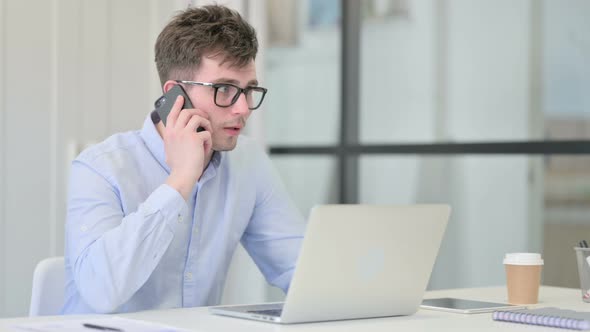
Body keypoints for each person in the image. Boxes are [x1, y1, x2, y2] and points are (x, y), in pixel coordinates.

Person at [62, 4, 305, 314]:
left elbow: (299, 270)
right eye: (225, 89)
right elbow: (101, 292)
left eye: (249, 90)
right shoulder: (100, 167)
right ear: (176, 95)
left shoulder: (248, 163)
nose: (243, 109)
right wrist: (180, 180)